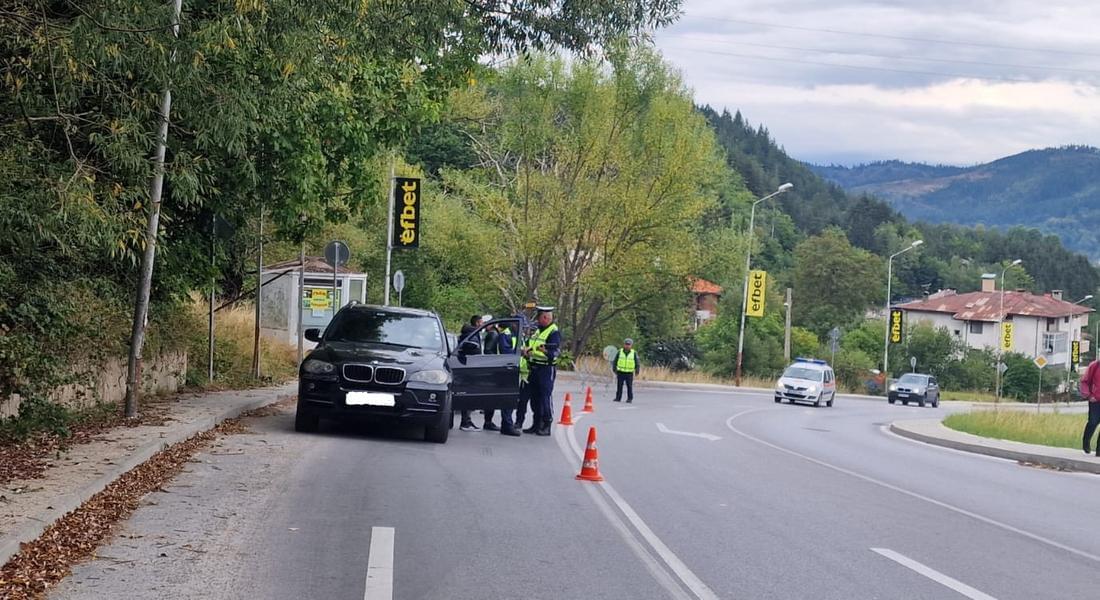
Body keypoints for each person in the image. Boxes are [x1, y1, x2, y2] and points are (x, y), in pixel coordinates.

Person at [522, 307, 561, 436]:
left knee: (545, 397)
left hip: (546, 368)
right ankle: (536, 423)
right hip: (534, 367)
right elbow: (531, 344)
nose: (537, 320)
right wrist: (527, 350)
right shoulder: (538, 331)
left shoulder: (553, 332)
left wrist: (544, 351)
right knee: (535, 398)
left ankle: (546, 424)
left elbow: (554, 352)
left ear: (545, 318)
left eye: (538, 317)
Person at [458, 315, 484, 432]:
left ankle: (467, 420)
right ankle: (465, 422)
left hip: (469, 366)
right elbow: (471, 348)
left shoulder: (471, 334)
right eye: (481, 322)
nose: (482, 324)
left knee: (468, 395)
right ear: (477, 323)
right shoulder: (471, 335)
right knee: (467, 395)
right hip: (470, 367)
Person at [1080, 358, 1100, 456]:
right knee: (1093, 422)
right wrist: (1088, 395)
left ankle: (1099, 450)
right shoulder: (1095, 365)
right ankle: (1086, 441)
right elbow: (1085, 381)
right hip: (1095, 400)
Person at [612, 338, 640, 403]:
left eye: (629, 345)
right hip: (620, 372)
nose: (627, 346)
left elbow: (637, 362)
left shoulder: (634, 353)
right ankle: (618, 398)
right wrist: (614, 369)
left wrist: (637, 370)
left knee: (629, 386)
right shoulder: (620, 352)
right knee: (619, 386)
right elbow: (615, 361)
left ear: (631, 345)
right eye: (626, 344)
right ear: (624, 344)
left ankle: (629, 399)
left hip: (629, 373)